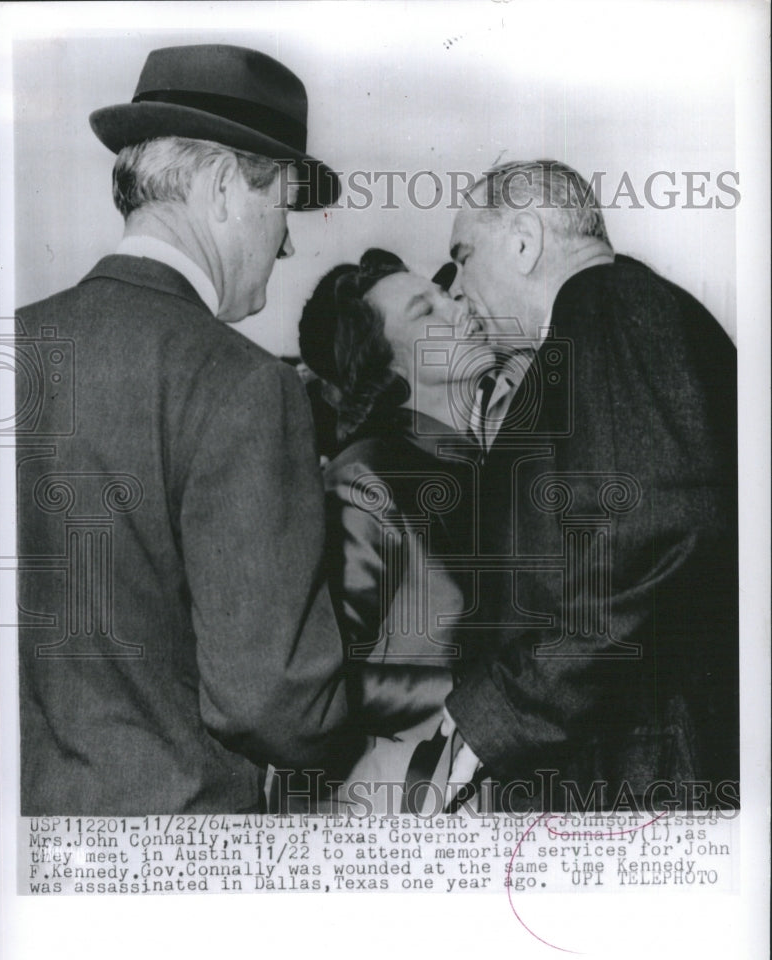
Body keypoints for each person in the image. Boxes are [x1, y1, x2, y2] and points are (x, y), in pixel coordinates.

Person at [16, 44, 361, 815]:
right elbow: (267, 697)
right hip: (180, 853)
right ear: (220, 185)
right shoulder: (242, 383)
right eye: (282, 208)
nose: (287, 244)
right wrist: (363, 749)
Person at [443, 160, 739, 812]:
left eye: (463, 256)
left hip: (637, 772)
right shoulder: (612, 317)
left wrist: (502, 711)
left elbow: (654, 540)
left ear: (522, 239)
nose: (458, 288)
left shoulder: (606, 306)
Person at [295, 249, 494, 811]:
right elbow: (327, 680)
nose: (461, 310)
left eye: (449, 295)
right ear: (388, 365)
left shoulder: (486, 471)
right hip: (393, 806)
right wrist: (483, 696)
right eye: (426, 310)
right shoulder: (365, 478)